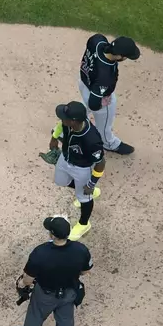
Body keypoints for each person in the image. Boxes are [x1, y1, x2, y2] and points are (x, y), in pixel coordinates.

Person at [12, 216, 93, 326]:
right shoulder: (81, 250)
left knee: (35, 316)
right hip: (69, 292)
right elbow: (86, 272)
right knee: (66, 321)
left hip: (45, 294)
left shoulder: (40, 253)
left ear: (52, 234)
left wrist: (23, 285)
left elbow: (28, 280)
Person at [49, 101, 106, 240]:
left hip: (82, 168)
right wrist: (54, 138)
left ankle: (84, 224)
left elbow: (100, 163)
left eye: (64, 117)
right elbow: (60, 125)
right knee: (60, 181)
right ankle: (86, 189)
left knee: (84, 197)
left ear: (73, 121)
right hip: (65, 158)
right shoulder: (69, 123)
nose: (62, 119)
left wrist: (91, 183)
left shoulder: (92, 140)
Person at [78, 34, 140, 155]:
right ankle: (108, 143)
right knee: (105, 121)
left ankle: (71, 123)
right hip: (96, 92)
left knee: (84, 105)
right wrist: (102, 102)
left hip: (83, 81)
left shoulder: (97, 40)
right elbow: (94, 104)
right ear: (119, 56)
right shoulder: (105, 76)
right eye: (126, 56)